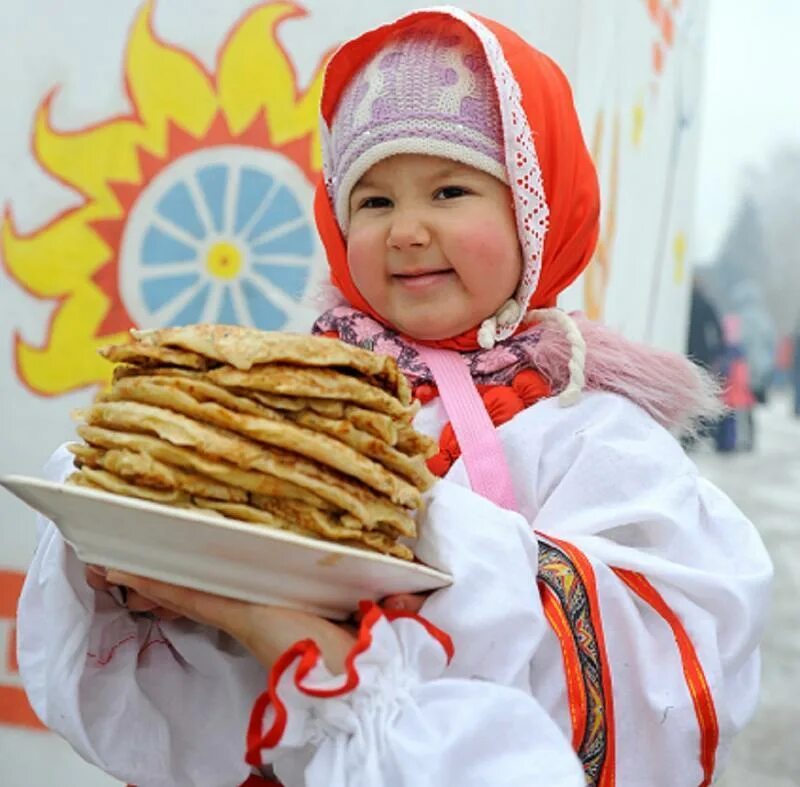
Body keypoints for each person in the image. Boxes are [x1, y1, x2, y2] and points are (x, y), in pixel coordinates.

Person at [16, 8, 772, 787]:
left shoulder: (590, 428)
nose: (406, 230)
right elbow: (198, 708)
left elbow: (664, 656)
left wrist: (408, 528)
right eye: (373, 202)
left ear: (537, 212)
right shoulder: (297, 403)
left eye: (449, 189)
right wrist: (144, 575)